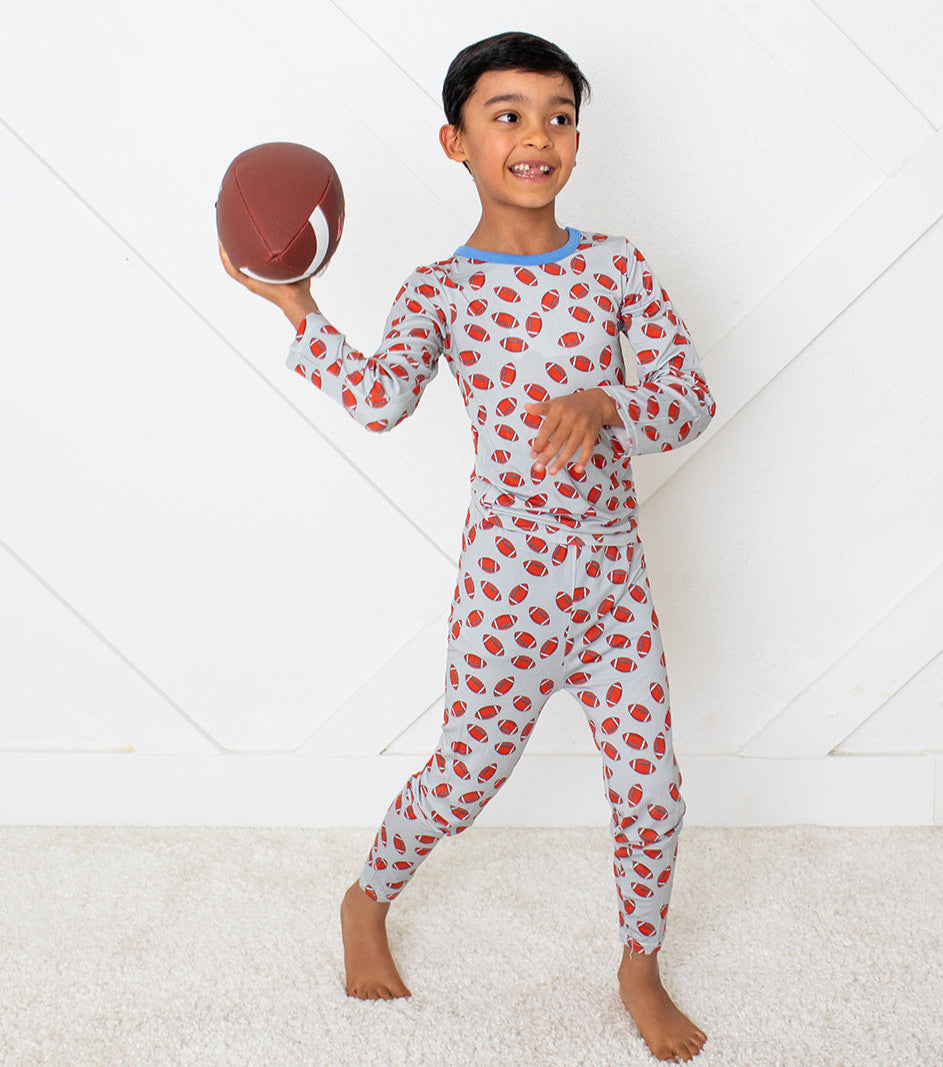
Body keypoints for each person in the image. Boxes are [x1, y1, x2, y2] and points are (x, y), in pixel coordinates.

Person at [220, 29, 714, 1063]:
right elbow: (382, 399)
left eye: (558, 116)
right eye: (507, 115)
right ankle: (365, 896)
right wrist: (299, 309)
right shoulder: (440, 289)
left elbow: (687, 400)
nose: (536, 135)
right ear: (454, 141)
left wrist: (604, 398)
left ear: (576, 138)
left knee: (653, 788)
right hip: (507, 590)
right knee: (462, 778)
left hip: (612, 582)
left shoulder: (617, 266)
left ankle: (637, 963)